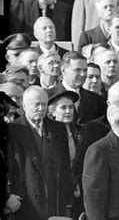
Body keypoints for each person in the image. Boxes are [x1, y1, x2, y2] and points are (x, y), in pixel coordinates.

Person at [6, 86, 72, 219]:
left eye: (44, 104)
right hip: (25, 206)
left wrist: (67, 203)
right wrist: (7, 197)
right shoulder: (12, 130)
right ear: (24, 106)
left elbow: (65, 169)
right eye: (36, 105)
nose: (41, 109)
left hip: (54, 204)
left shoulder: (58, 129)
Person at [45, 51, 107, 124]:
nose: (82, 74)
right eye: (77, 70)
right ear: (63, 70)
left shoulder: (97, 100)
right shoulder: (47, 96)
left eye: (85, 70)